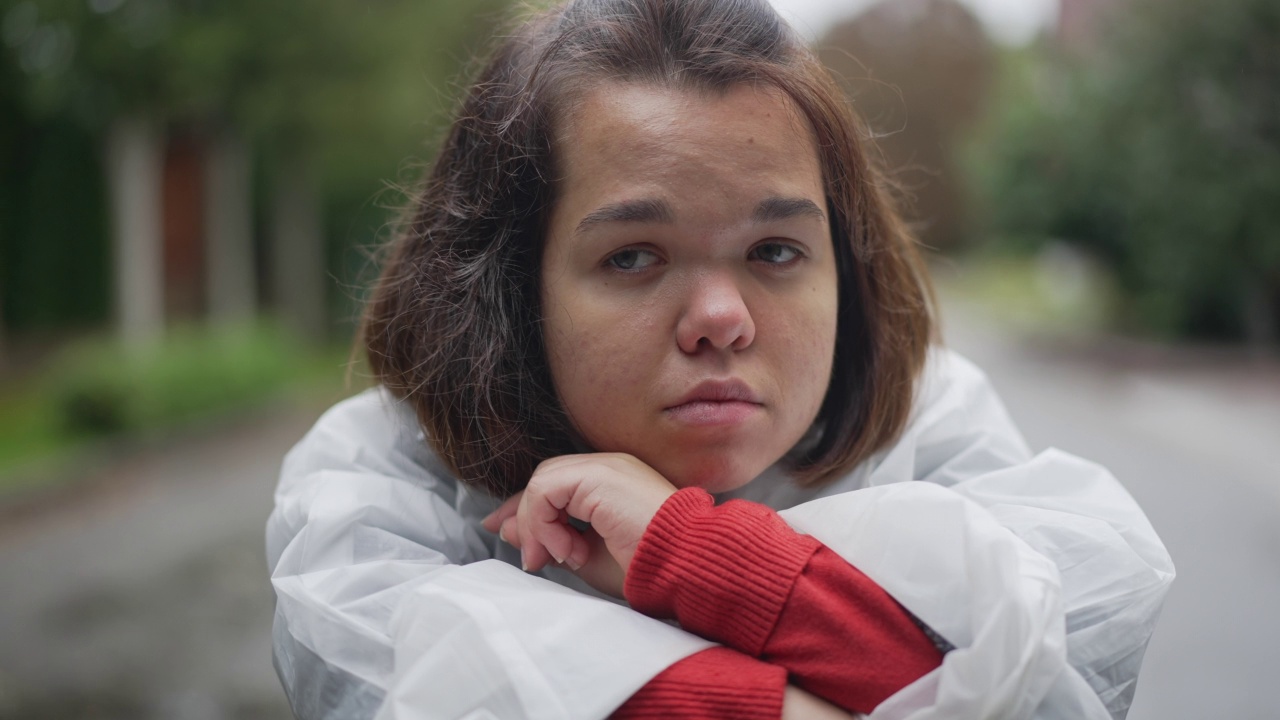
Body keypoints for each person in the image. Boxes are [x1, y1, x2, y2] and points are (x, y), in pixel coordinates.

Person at [265, 1, 1175, 718]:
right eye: (634, 257)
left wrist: (687, 554)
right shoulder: (378, 498)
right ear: (507, 285)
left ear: (845, 271)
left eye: (776, 251)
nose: (721, 319)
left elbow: (1038, 690)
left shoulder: (941, 436)